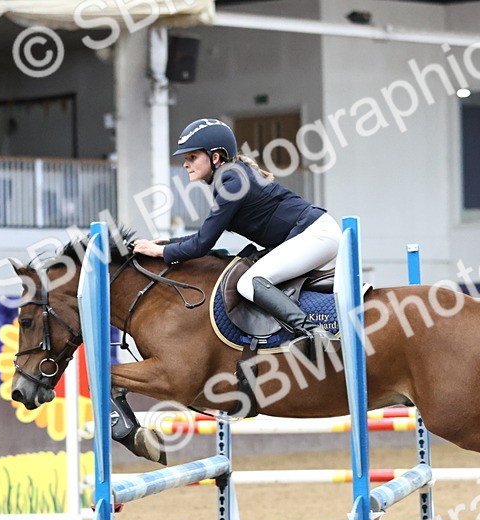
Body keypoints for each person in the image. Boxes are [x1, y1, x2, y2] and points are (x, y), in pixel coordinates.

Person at [132, 118, 341, 353]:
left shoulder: (231, 181)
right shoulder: (231, 177)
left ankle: (313, 333)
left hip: (315, 234)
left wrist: (160, 251)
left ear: (216, 157)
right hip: (312, 233)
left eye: (192, 157)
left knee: (249, 282)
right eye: (186, 158)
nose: (185, 164)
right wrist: (164, 244)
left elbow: (202, 244)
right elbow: (205, 236)